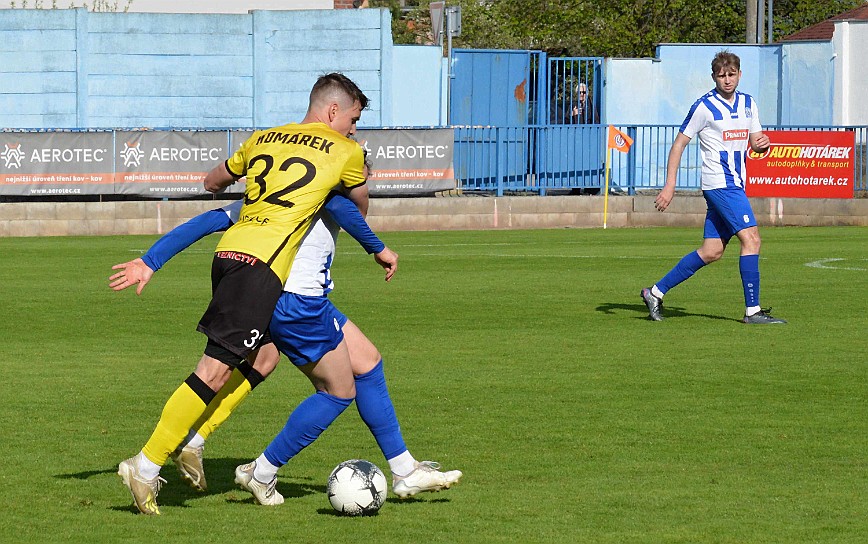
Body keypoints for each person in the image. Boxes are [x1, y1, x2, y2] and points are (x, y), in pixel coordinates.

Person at [112, 73, 391, 515]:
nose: (354, 129)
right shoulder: (343, 151)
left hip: (231, 256)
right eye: (353, 119)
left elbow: (213, 183)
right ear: (334, 111)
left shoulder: (266, 139)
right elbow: (356, 204)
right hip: (258, 267)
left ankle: (195, 443)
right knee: (214, 370)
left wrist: (151, 259)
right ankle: (145, 465)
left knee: (265, 356)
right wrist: (377, 245)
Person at [111, 166, 461, 509]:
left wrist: (151, 260)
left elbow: (209, 220)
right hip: (295, 302)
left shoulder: (273, 198)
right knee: (336, 391)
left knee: (357, 361)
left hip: (279, 295)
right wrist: (378, 248)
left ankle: (403, 470)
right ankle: (256, 471)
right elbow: (342, 207)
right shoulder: (325, 194)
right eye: (361, 178)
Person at [640, 51, 786, 325]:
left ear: (739, 75)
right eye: (722, 75)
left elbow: (755, 142)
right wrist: (670, 185)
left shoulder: (748, 104)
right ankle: (752, 312)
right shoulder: (704, 106)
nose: (727, 80)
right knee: (752, 239)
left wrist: (761, 145)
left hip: (735, 183)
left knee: (711, 251)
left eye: (732, 74)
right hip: (720, 184)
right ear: (714, 77)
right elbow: (679, 144)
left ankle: (655, 292)